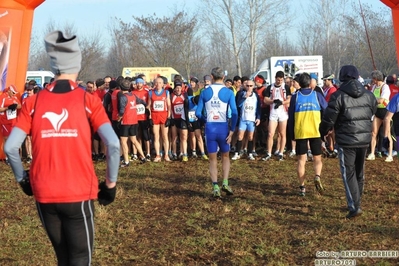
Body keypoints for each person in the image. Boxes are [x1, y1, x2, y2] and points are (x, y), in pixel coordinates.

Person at [4, 30, 120, 265]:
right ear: (76, 62)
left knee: (63, 257)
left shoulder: (33, 101)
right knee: (80, 258)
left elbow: (10, 148)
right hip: (78, 190)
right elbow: (113, 144)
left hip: (44, 191)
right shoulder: (88, 100)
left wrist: (22, 179)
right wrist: (110, 184)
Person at [319, 65, 377, 219]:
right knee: (359, 171)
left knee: (348, 172)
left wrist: (322, 132)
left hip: (346, 139)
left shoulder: (338, 96)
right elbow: (373, 110)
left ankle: (354, 206)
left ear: (342, 78)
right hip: (364, 139)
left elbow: (329, 118)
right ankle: (356, 202)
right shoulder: (369, 95)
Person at [195, 67, 238, 198]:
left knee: (212, 160)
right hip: (223, 128)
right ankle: (225, 182)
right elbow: (235, 113)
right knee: (225, 157)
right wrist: (232, 131)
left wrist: (206, 121)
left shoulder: (204, 92)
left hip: (210, 129)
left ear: (212, 77)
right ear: (223, 77)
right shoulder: (229, 92)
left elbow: (197, 113)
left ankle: (215, 186)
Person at [288, 73, 327, 197]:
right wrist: (325, 127)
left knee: (301, 160)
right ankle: (317, 176)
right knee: (317, 158)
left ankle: (302, 187)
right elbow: (326, 109)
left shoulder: (295, 97)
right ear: (310, 83)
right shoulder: (317, 95)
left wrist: (291, 133)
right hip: (315, 130)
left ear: (299, 83)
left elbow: (291, 116)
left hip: (301, 131)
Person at [262, 71, 291, 161]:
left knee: (282, 133)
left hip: (283, 113)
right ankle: (269, 153)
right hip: (273, 112)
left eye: (281, 80)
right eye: (278, 80)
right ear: (275, 78)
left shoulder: (286, 87)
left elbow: (289, 99)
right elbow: (265, 100)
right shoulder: (270, 87)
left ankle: (281, 153)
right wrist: (273, 101)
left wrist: (282, 102)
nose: (280, 82)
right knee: (270, 134)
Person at [232, 79, 261, 161]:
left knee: (251, 137)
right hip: (243, 119)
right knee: (240, 135)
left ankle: (250, 153)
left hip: (252, 119)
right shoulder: (242, 94)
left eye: (251, 86)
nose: (249, 87)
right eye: (247, 86)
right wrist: (245, 97)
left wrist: (258, 118)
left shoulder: (256, 96)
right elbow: (238, 104)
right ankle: (237, 153)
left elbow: (258, 108)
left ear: (253, 86)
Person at [367, 70, 390, 160]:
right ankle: (372, 153)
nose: (372, 80)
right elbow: (371, 98)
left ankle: (390, 153)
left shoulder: (385, 87)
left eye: (373, 78)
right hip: (376, 111)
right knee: (373, 133)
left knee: (387, 133)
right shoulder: (374, 87)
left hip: (385, 111)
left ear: (376, 78)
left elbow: (381, 100)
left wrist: (373, 100)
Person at [147, 77, 172, 162]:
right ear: (154, 83)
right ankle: (158, 155)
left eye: (160, 83)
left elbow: (169, 106)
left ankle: (166, 155)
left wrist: (169, 117)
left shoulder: (166, 92)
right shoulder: (151, 93)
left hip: (164, 116)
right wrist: (149, 117)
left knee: (165, 136)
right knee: (156, 136)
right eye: (156, 83)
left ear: (163, 84)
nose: (158, 84)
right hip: (154, 116)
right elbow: (149, 106)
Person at [0, 84, 21, 164]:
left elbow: (20, 106)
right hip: (5, 121)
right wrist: (7, 108)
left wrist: (15, 106)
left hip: (13, 121)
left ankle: (13, 156)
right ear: (9, 90)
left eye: (15, 93)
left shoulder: (14, 97)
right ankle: (7, 158)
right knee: (7, 139)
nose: (14, 94)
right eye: (13, 92)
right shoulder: (3, 97)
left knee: (13, 139)